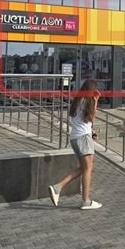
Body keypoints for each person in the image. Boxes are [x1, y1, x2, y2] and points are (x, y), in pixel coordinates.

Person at [48, 79, 103, 210]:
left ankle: (58, 187)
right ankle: (86, 200)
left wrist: (91, 131)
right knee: (88, 169)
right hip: (83, 138)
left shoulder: (77, 101)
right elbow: (91, 117)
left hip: (75, 137)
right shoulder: (88, 101)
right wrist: (96, 101)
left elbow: (82, 121)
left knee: (85, 167)